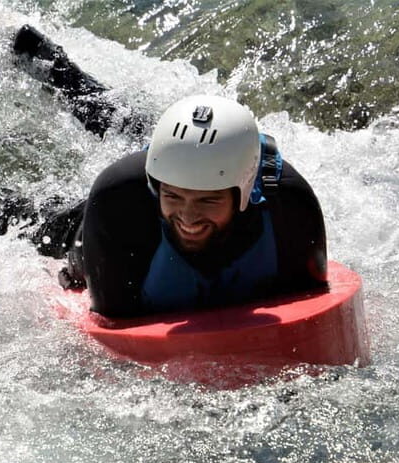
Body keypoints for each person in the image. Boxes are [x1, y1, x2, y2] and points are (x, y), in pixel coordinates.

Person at [57, 94, 328, 318]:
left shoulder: (289, 204)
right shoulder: (119, 202)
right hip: (94, 229)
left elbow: (311, 308)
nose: (188, 218)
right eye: (173, 197)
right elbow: (114, 324)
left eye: (208, 200)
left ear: (243, 193)